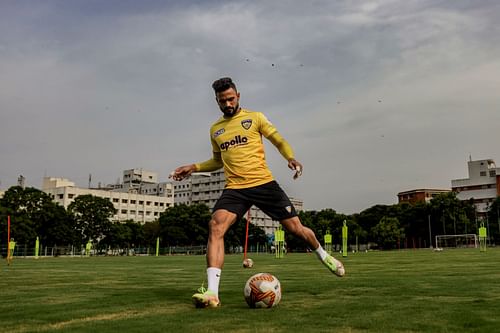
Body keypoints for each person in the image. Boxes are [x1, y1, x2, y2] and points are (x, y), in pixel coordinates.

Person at [170, 77, 345, 308]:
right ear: (217, 101)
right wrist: (194, 167)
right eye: (222, 101)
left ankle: (324, 255)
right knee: (215, 225)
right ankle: (212, 293)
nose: (228, 104)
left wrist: (290, 158)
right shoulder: (216, 129)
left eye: (231, 99)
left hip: (263, 184)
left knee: (296, 229)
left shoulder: (255, 118)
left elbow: (279, 140)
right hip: (235, 189)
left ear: (238, 96)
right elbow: (217, 161)